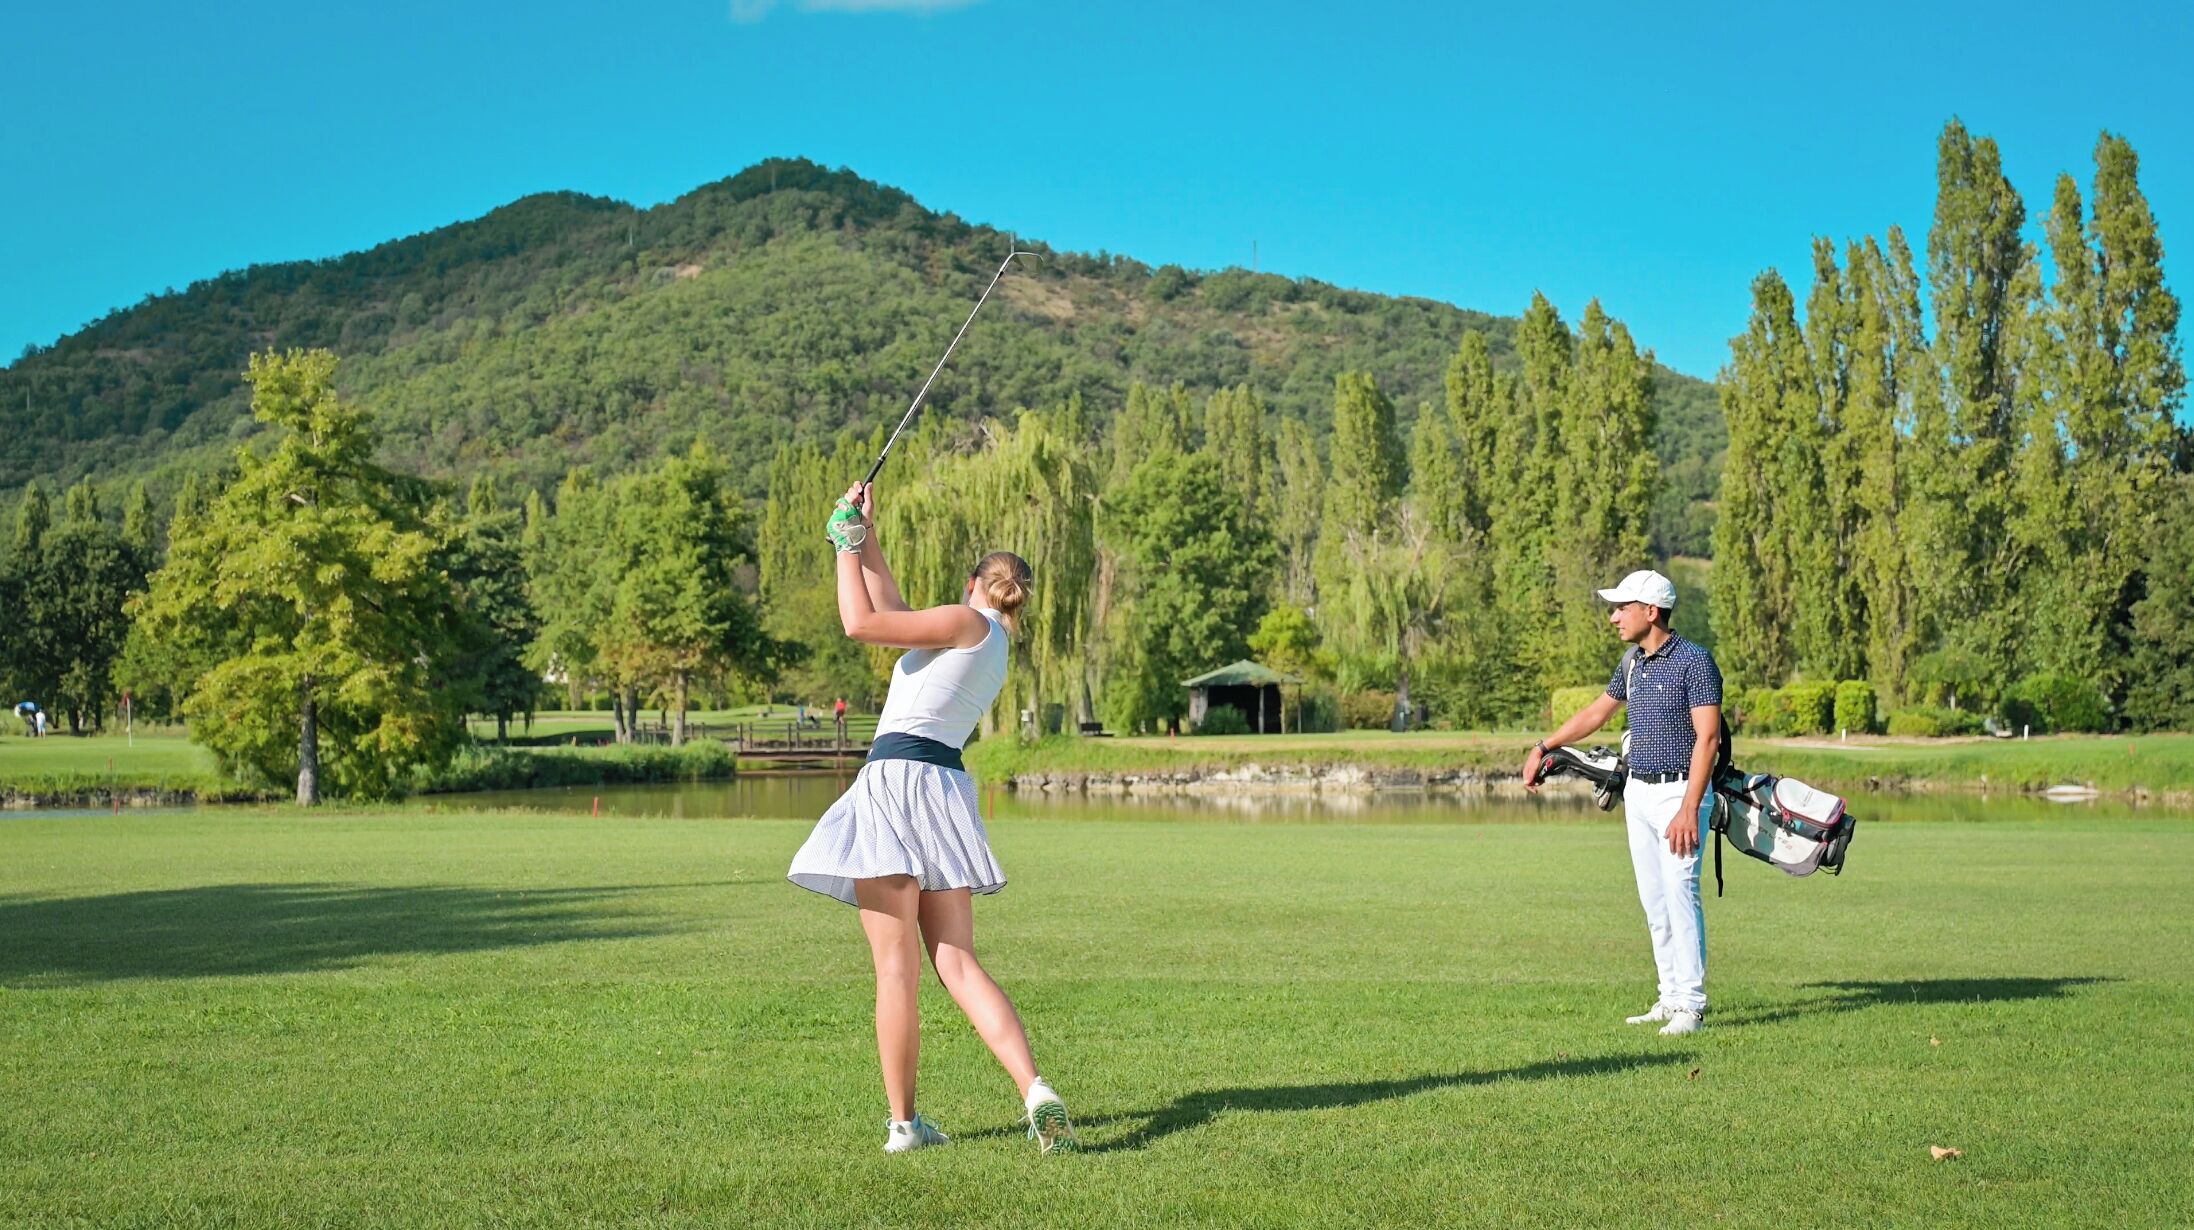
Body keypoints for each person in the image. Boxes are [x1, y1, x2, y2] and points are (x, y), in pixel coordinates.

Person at [787, 481, 1078, 1155]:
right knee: (959, 963)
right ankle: (1035, 1089)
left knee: (896, 973)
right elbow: (893, 610)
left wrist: (841, 545)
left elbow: (861, 624)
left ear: (973, 582)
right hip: (944, 789)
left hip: (894, 784)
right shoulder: (993, 644)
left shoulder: (963, 621)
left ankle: (904, 1126)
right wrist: (866, 534)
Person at [1522, 569, 1723, 1037]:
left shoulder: (1695, 661)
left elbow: (1708, 738)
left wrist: (1690, 807)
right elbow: (1597, 713)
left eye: (1621, 608)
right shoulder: (1634, 661)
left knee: (1680, 896)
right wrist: (1543, 746)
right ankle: (1669, 995)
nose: (1613, 617)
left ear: (1650, 612)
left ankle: (1690, 1006)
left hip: (1680, 793)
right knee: (1655, 901)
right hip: (1639, 792)